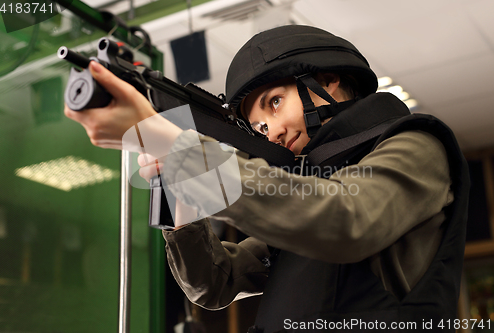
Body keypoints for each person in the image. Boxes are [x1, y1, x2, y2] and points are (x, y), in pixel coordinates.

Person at [65, 25, 469, 332]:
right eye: (257, 128)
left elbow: (347, 219)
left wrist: (178, 148)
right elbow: (213, 283)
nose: (271, 132)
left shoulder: (416, 144)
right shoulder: (306, 188)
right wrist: (176, 183)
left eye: (275, 103)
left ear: (328, 80)